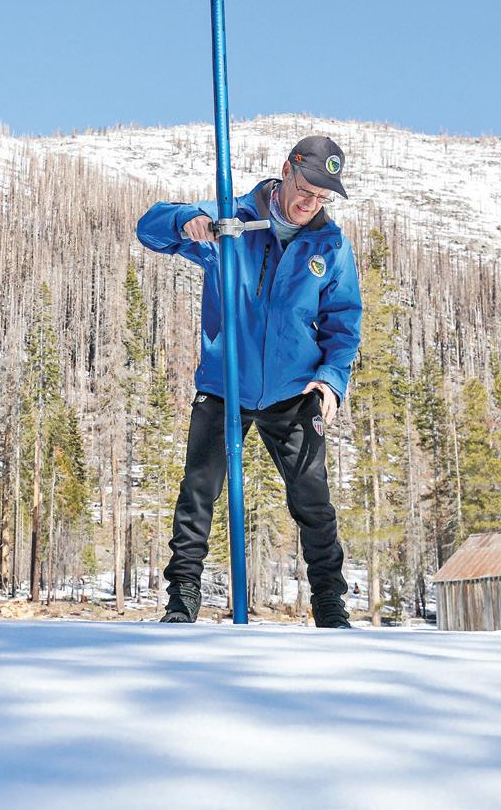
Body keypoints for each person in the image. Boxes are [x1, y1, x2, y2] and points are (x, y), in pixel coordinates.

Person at [136, 135, 362, 628]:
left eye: (322, 196)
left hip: (295, 391)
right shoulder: (231, 220)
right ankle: (183, 597)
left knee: (313, 500)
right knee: (199, 491)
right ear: (286, 171)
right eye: (305, 189)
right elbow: (149, 228)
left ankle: (330, 605)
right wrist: (185, 221)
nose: (310, 203)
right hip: (225, 385)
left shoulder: (330, 245)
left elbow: (344, 322)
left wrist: (330, 379)